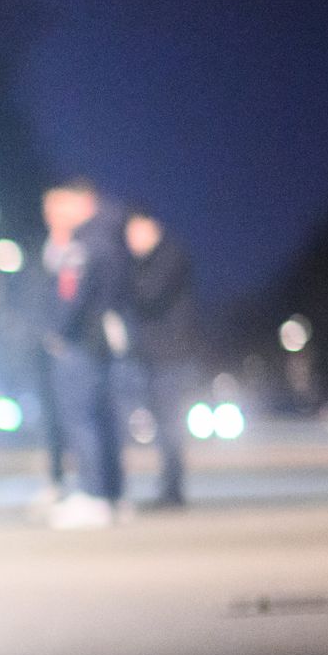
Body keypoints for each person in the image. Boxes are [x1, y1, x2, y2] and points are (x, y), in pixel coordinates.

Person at [39, 178, 129, 530]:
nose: (53, 214)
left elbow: (71, 294)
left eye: (60, 205)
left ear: (82, 202)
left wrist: (57, 332)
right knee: (99, 418)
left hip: (81, 341)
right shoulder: (111, 236)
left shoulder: (84, 243)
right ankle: (109, 493)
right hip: (99, 340)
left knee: (80, 418)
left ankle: (91, 495)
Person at [125, 209, 196, 506]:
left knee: (170, 423)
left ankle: (173, 489)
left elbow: (149, 294)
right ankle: (168, 486)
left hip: (171, 355)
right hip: (152, 355)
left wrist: (125, 276)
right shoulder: (147, 261)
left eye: (136, 232)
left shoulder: (170, 255)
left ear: (152, 227)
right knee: (161, 423)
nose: (131, 240)